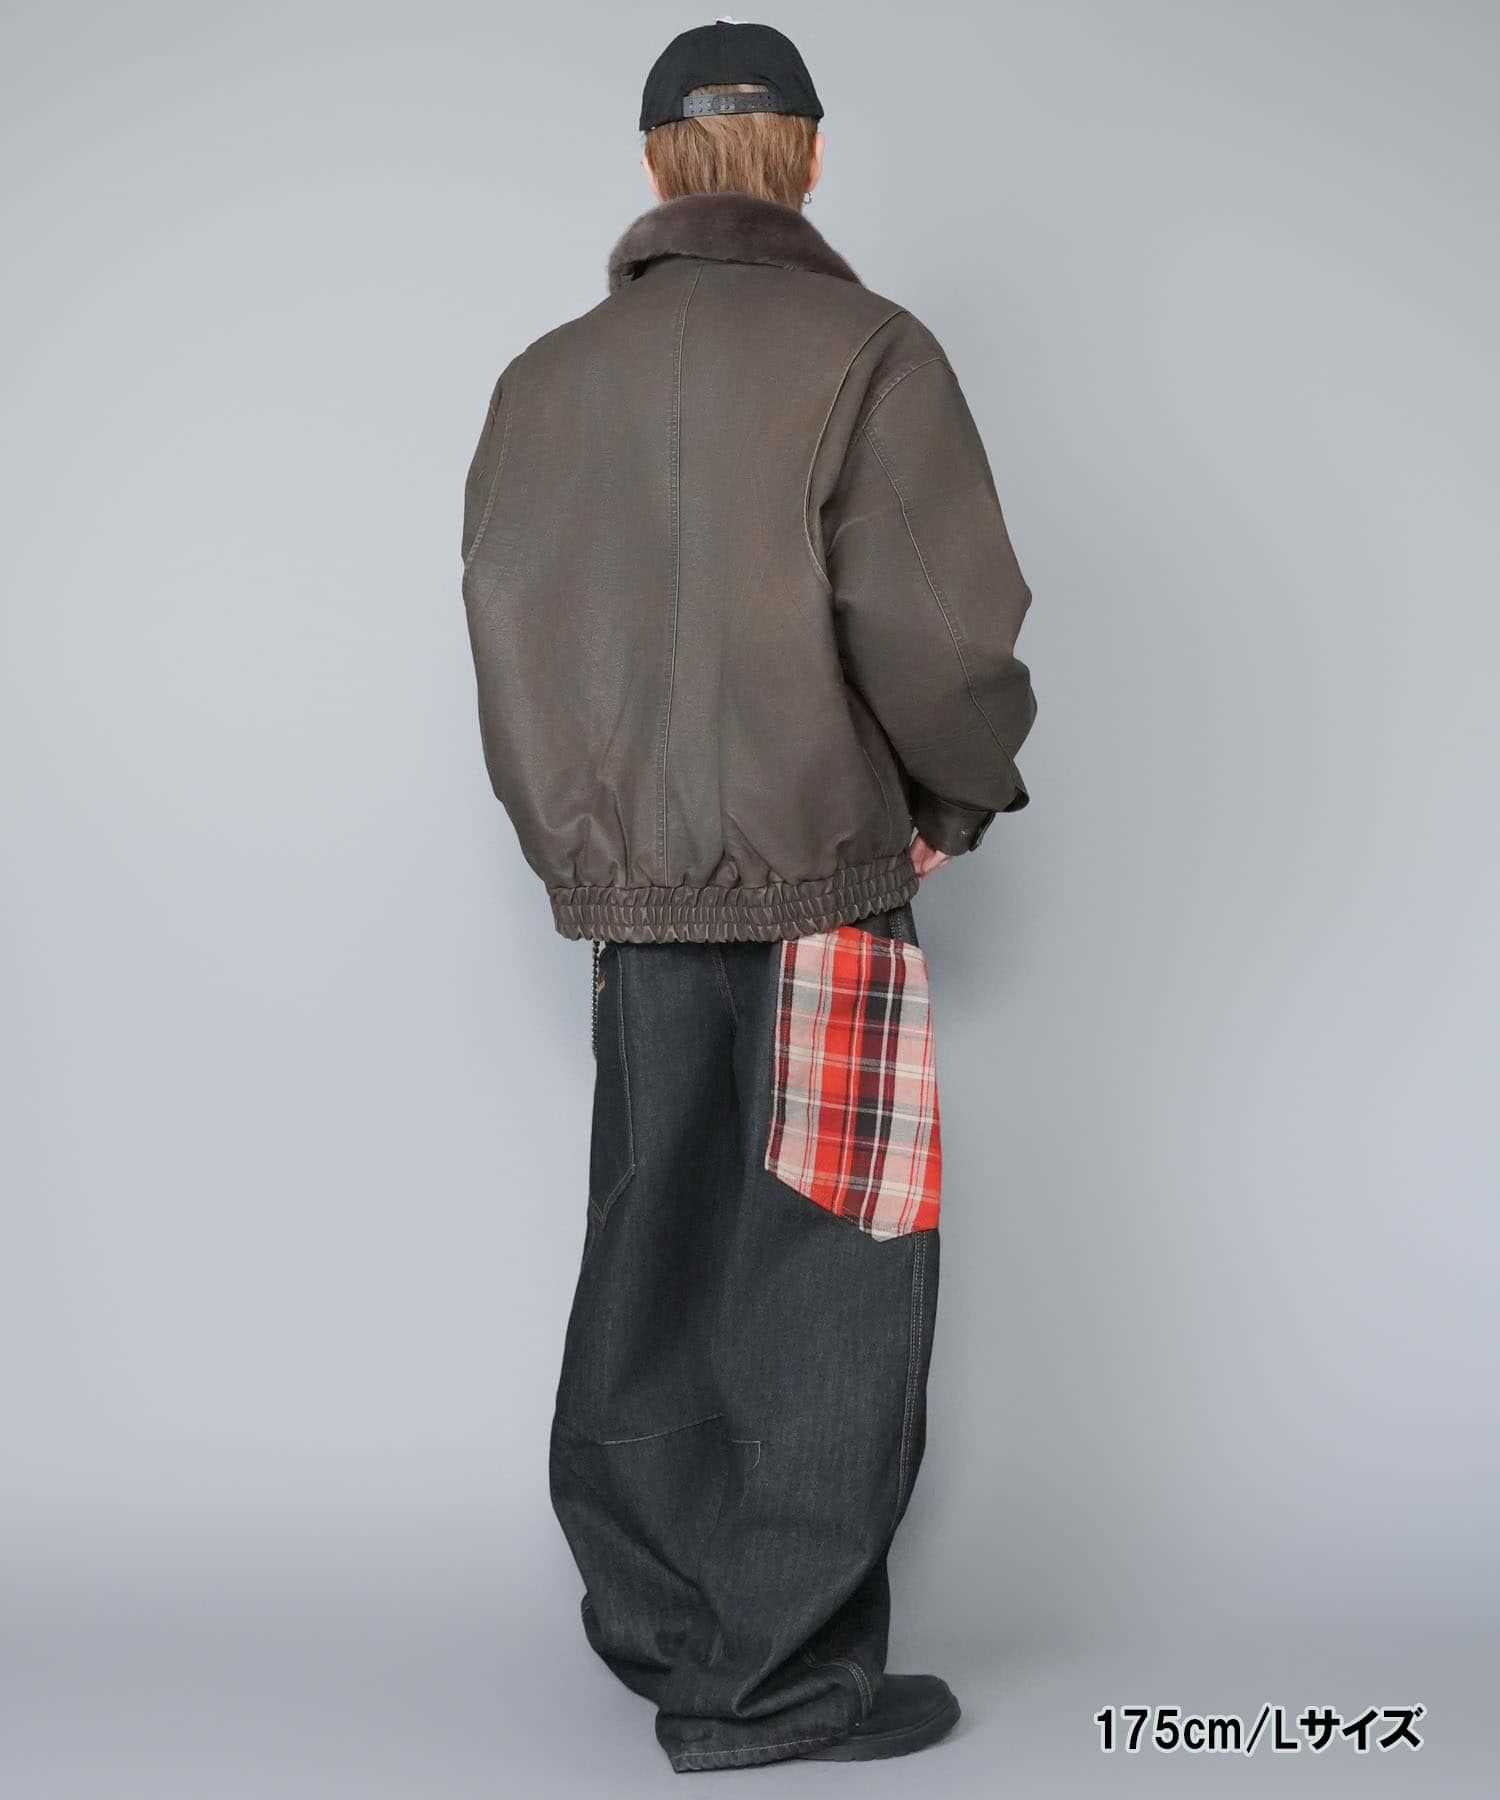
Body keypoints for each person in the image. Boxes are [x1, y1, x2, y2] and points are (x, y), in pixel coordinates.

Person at [460, 18, 1037, 1771]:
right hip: (822, 896)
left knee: (651, 1257)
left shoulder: (543, 380)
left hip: (634, 911)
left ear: (657, 164)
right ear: (808, 156)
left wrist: (588, 855)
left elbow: (505, 636)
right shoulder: (870, 354)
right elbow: (949, 636)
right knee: (825, 1276)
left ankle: (667, 1637)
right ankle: (775, 1684)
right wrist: (955, 799)